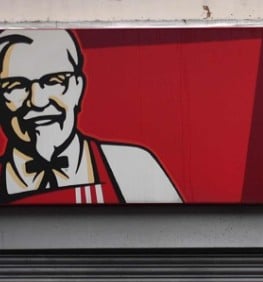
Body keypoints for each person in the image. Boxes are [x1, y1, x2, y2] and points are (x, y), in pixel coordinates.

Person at [0, 29, 181, 204]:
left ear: (78, 88)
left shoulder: (133, 165)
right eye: (15, 86)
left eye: (54, 81)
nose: (38, 101)